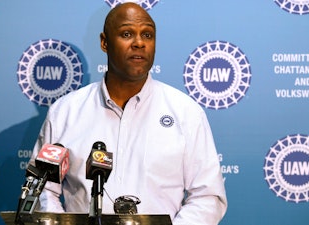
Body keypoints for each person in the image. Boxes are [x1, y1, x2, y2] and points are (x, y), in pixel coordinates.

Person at [29, 2, 227, 225]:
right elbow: (43, 190)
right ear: (105, 42)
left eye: (148, 35)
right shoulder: (65, 112)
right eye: (126, 34)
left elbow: (208, 196)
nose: (139, 43)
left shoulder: (186, 112)